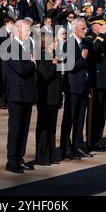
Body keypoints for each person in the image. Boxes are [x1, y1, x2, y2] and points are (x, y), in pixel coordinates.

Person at [4, 19, 37, 173]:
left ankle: (20, 158)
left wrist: (30, 62)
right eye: (27, 31)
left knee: (24, 129)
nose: (29, 33)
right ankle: (12, 161)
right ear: (18, 31)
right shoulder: (11, 46)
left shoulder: (25, 46)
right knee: (15, 129)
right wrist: (33, 63)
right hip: (16, 94)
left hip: (26, 93)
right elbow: (21, 69)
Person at [60, 17, 91, 160]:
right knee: (70, 118)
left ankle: (78, 145)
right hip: (72, 86)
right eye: (83, 28)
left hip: (83, 85)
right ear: (75, 29)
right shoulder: (69, 44)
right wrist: (83, 59)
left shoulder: (83, 43)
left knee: (80, 118)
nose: (86, 30)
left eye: (86, 28)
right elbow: (70, 65)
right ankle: (65, 147)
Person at [85, 15, 106, 153]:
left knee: (102, 112)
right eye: (101, 24)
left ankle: (98, 139)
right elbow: (92, 51)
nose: (104, 26)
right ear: (94, 25)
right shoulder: (90, 38)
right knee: (94, 113)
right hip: (96, 80)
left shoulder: (104, 38)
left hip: (105, 80)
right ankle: (91, 141)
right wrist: (101, 36)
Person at [35, 34, 62, 165]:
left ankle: (51, 154)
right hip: (45, 97)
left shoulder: (53, 56)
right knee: (44, 127)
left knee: (52, 128)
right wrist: (53, 65)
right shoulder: (42, 56)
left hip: (55, 96)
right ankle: (42, 156)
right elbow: (44, 76)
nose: (55, 44)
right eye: (53, 42)